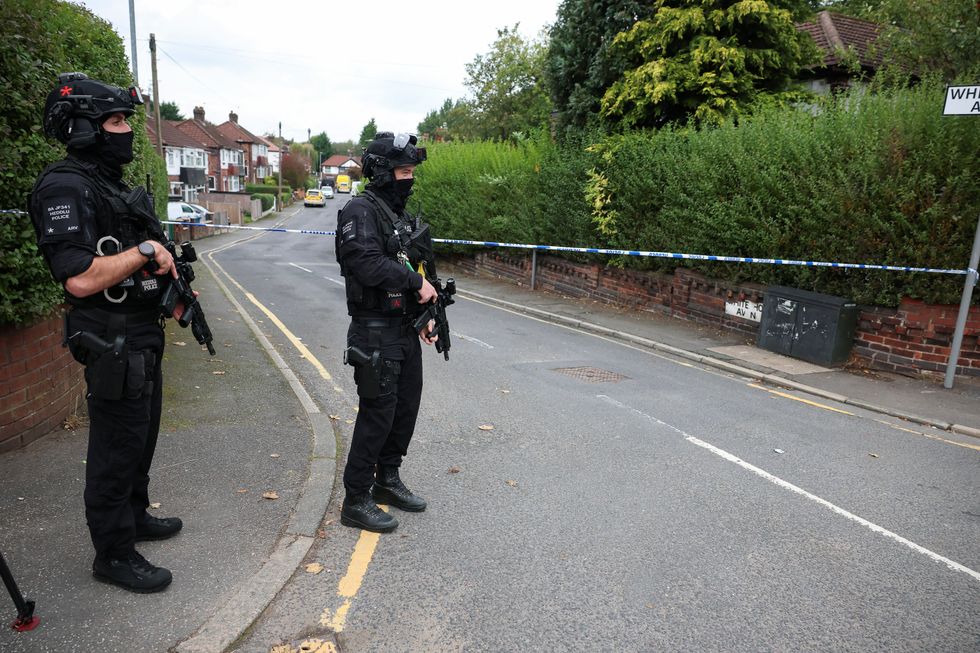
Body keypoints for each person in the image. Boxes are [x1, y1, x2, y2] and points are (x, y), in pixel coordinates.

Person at [28, 72, 182, 593]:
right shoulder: (64, 186)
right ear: (84, 128)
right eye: (115, 121)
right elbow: (78, 276)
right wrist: (143, 253)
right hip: (110, 338)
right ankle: (113, 554)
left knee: (142, 437)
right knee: (116, 448)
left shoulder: (110, 184)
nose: (124, 131)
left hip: (141, 332)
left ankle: (135, 517)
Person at [335, 132, 438, 533]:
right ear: (380, 172)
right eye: (403, 171)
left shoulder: (399, 216)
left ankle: (387, 480)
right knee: (377, 415)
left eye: (411, 171)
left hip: (403, 331)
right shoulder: (359, 211)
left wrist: (426, 313)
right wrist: (415, 285)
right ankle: (356, 497)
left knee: (404, 411)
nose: (408, 179)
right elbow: (367, 264)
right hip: (374, 333)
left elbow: (417, 268)